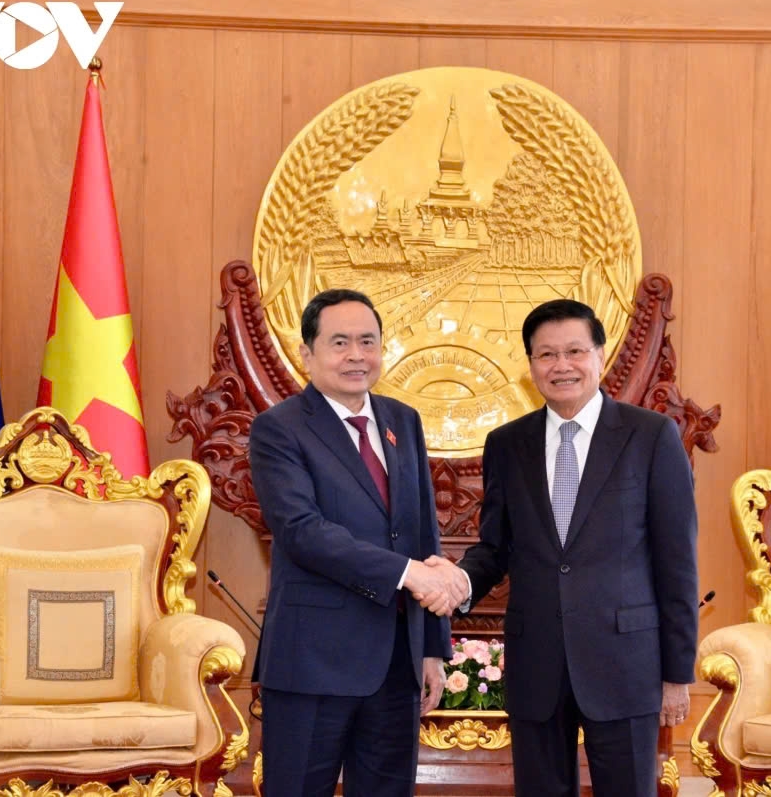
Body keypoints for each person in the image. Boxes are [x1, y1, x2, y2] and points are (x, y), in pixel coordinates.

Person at [452, 298, 699, 797]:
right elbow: (495, 547)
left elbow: (677, 563)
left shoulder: (651, 436)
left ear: (600, 355)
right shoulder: (506, 443)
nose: (561, 366)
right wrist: (453, 584)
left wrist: (677, 674)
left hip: (625, 662)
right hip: (536, 659)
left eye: (574, 351)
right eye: (546, 355)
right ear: (530, 366)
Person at [249, 289, 468, 797]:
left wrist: (432, 650)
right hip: (312, 662)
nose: (356, 355)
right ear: (307, 354)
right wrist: (408, 574)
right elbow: (302, 532)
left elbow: (421, 532)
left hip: (396, 664)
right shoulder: (278, 429)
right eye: (340, 342)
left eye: (367, 342)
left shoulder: (402, 421)